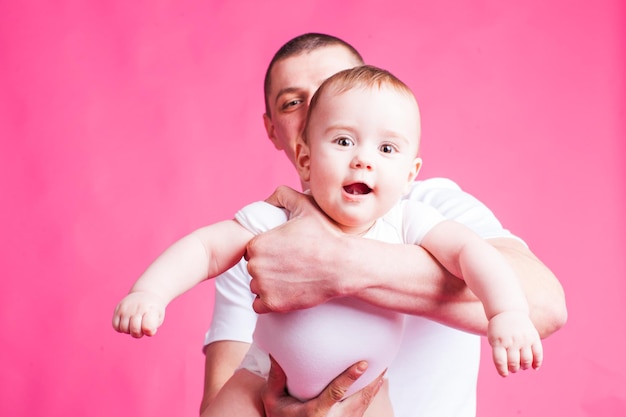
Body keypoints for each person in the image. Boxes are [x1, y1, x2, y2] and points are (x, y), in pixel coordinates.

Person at [113, 65, 543, 417]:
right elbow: (206, 249)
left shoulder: (411, 218)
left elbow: (473, 254)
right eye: (342, 141)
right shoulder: (276, 218)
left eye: (387, 149)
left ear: (410, 173)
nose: (363, 158)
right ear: (305, 156)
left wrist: (506, 311)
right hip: (262, 376)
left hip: (367, 391)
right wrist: (150, 291)